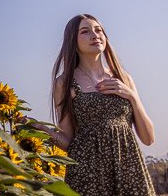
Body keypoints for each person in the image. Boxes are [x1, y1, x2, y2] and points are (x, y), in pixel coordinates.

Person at [39, 14, 156, 195]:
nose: (95, 35)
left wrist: (132, 96)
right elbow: (68, 141)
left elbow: (148, 138)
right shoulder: (64, 83)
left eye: (98, 30)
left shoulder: (123, 78)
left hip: (129, 170)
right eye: (85, 32)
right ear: (73, 41)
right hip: (88, 174)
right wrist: (42, 129)